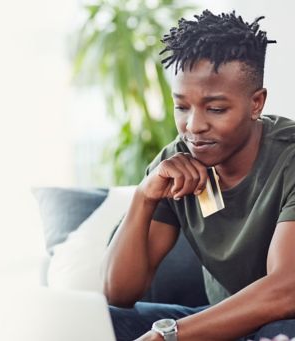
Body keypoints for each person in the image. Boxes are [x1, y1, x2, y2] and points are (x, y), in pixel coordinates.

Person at [102, 9, 295, 341]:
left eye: (216, 109)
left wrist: (170, 336)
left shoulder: (289, 157)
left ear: (256, 103)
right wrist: (143, 196)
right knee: (105, 321)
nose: (194, 126)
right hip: (219, 323)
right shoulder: (177, 160)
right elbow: (118, 294)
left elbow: (286, 291)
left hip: (284, 321)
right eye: (182, 106)